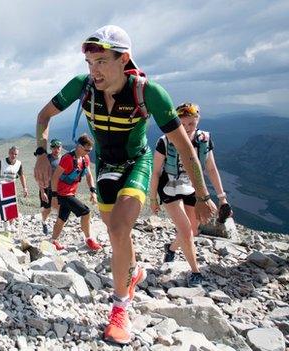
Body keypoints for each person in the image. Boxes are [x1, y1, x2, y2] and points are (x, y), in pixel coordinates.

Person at [33, 25, 216, 345]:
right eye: (90, 63)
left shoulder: (149, 93)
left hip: (137, 164)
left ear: (124, 59)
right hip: (104, 167)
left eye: (102, 61)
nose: (94, 70)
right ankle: (133, 272)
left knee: (118, 228)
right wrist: (40, 153)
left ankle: (119, 310)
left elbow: (186, 149)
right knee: (117, 232)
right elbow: (44, 115)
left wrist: (202, 195)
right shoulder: (82, 86)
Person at [149, 102, 233, 287]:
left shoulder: (204, 140)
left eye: (191, 124)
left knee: (194, 230)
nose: (186, 128)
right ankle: (195, 271)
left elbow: (211, 168)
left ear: (198, 121)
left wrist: (222, 198)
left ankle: (170, 249)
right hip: (169, 186)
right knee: (186, 230)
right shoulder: (164, 141)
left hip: (191, 185)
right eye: (183, 124)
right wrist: (153, 198)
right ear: (177, 122)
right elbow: (155, 171)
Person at [50, 134, 102, 251]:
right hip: (62, 194)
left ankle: (53, 241)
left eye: (90, 150)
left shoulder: (85, 159)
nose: (88, 152)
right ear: (79, 146)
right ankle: (89, 239)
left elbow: (88, 175)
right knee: (86, 212)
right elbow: (55, 177)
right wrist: (54, 196)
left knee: (62, 218)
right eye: (86, 150)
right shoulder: (67, 159)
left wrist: (93, 191)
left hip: (70, 193)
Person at [0, 146, 29, 232]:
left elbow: (22, 176)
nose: (13, 155)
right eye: (12, 153)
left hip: (11, 188)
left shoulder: (19, 163)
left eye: (15, 154)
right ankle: (6, 226)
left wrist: (25, 188)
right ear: (9, 152)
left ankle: (11, 225)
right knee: (4, 207)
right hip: (1, 187)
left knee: (12, 207)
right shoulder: (2, 162)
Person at [39, 139, 63, 234]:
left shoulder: (64, 159)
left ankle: (57, 229)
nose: (56, 150)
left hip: (59, 189)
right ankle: (44, 222)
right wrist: (42, 191)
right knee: (47, 210)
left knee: (60, 208)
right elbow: (40, 175)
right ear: (51, 148)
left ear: (61, 148)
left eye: (58, 147)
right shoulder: (46, 159)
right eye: (54, 147)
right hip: (46, 188)